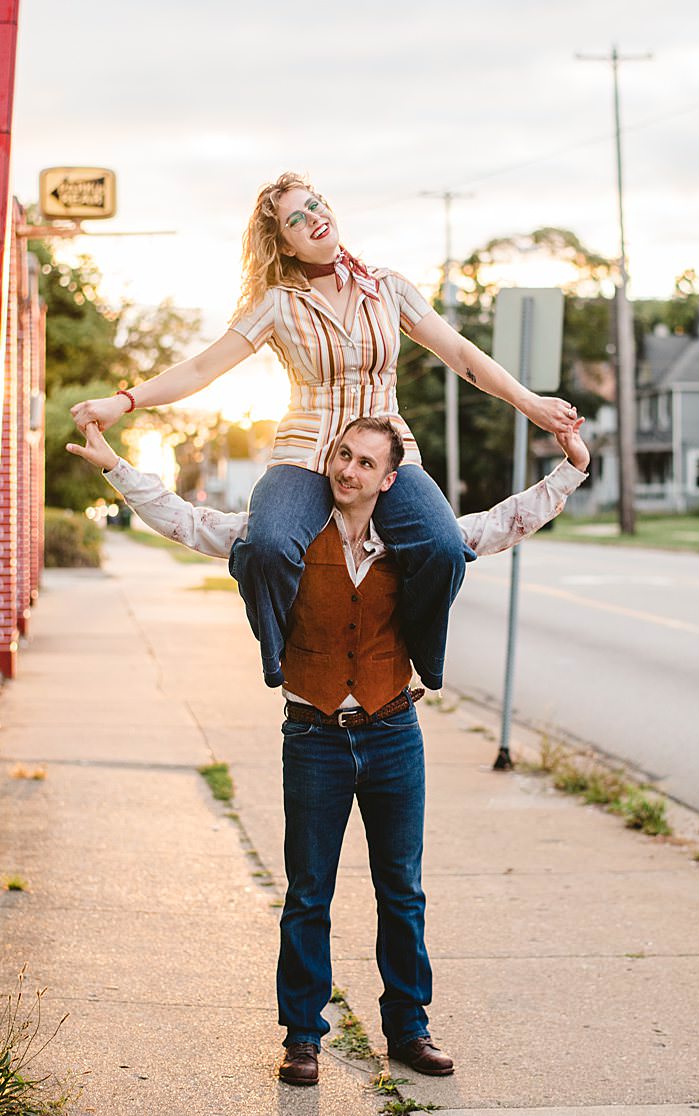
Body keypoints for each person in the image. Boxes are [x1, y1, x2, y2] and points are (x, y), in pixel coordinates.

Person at [68, 416, 590, 1086]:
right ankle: (302, 1037)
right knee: (308, 893)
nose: (349, 470)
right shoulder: (282, 540)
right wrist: (117, 466)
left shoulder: (416, 541)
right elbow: (186, 521)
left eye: (366, 463)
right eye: (343, 455)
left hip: (393, 732)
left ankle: (408, 1028)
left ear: (389, 479)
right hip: (313, 736)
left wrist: (569, 471)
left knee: (401, 890)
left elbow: (503, 523)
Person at [68, 172, 579, 693]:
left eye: (315, 206)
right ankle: (284, 661)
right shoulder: (276, 303)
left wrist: (530, 403)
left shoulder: (389, 288)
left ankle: (420, 657)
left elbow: (462, 355)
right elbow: (202, 370)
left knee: (444, 548)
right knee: (266, 548)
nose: (313, 219)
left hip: (385, 455)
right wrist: (122, 401)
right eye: (296, 218)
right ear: (282, 242)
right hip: (306, 454)